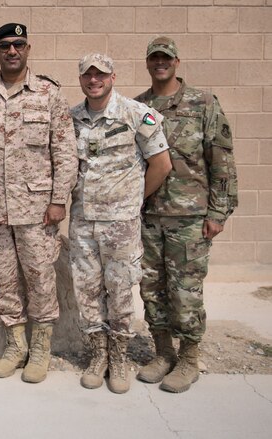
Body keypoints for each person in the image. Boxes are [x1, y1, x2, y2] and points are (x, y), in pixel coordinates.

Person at [0, 23, 78, 383]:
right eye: (5, 45)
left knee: (40, 278)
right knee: (3, 280)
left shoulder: (48, 94)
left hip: (38, 211)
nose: (12, 51)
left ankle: (40, 349)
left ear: (27, 48)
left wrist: (58, 200)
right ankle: (16, 344)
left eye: (18, 45)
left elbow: (65, 151)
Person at [134, 37, 238, 393]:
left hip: (190, 217)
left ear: (177, 62)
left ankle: (189, 358)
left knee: (186, 292)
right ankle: (163, 353)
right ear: (148, 63)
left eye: (166, 58)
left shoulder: (203, 103)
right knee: (152, 289)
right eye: (154, 58)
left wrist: (219, 213)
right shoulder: (139, 106)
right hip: (148, 217)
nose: (160, 63)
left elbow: (221, 160)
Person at [70, 53, 173, 394]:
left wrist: (133, 200)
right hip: (83, 222)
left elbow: (161, 164)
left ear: (113, 77)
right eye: (88, 75)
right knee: (87, 292)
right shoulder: (72, 119)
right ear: (82, 79)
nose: (94, 80)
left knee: (120, 292)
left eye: (101, 75)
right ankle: (97, 356)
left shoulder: (135, 114)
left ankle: (119, 358)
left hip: (121, 224)